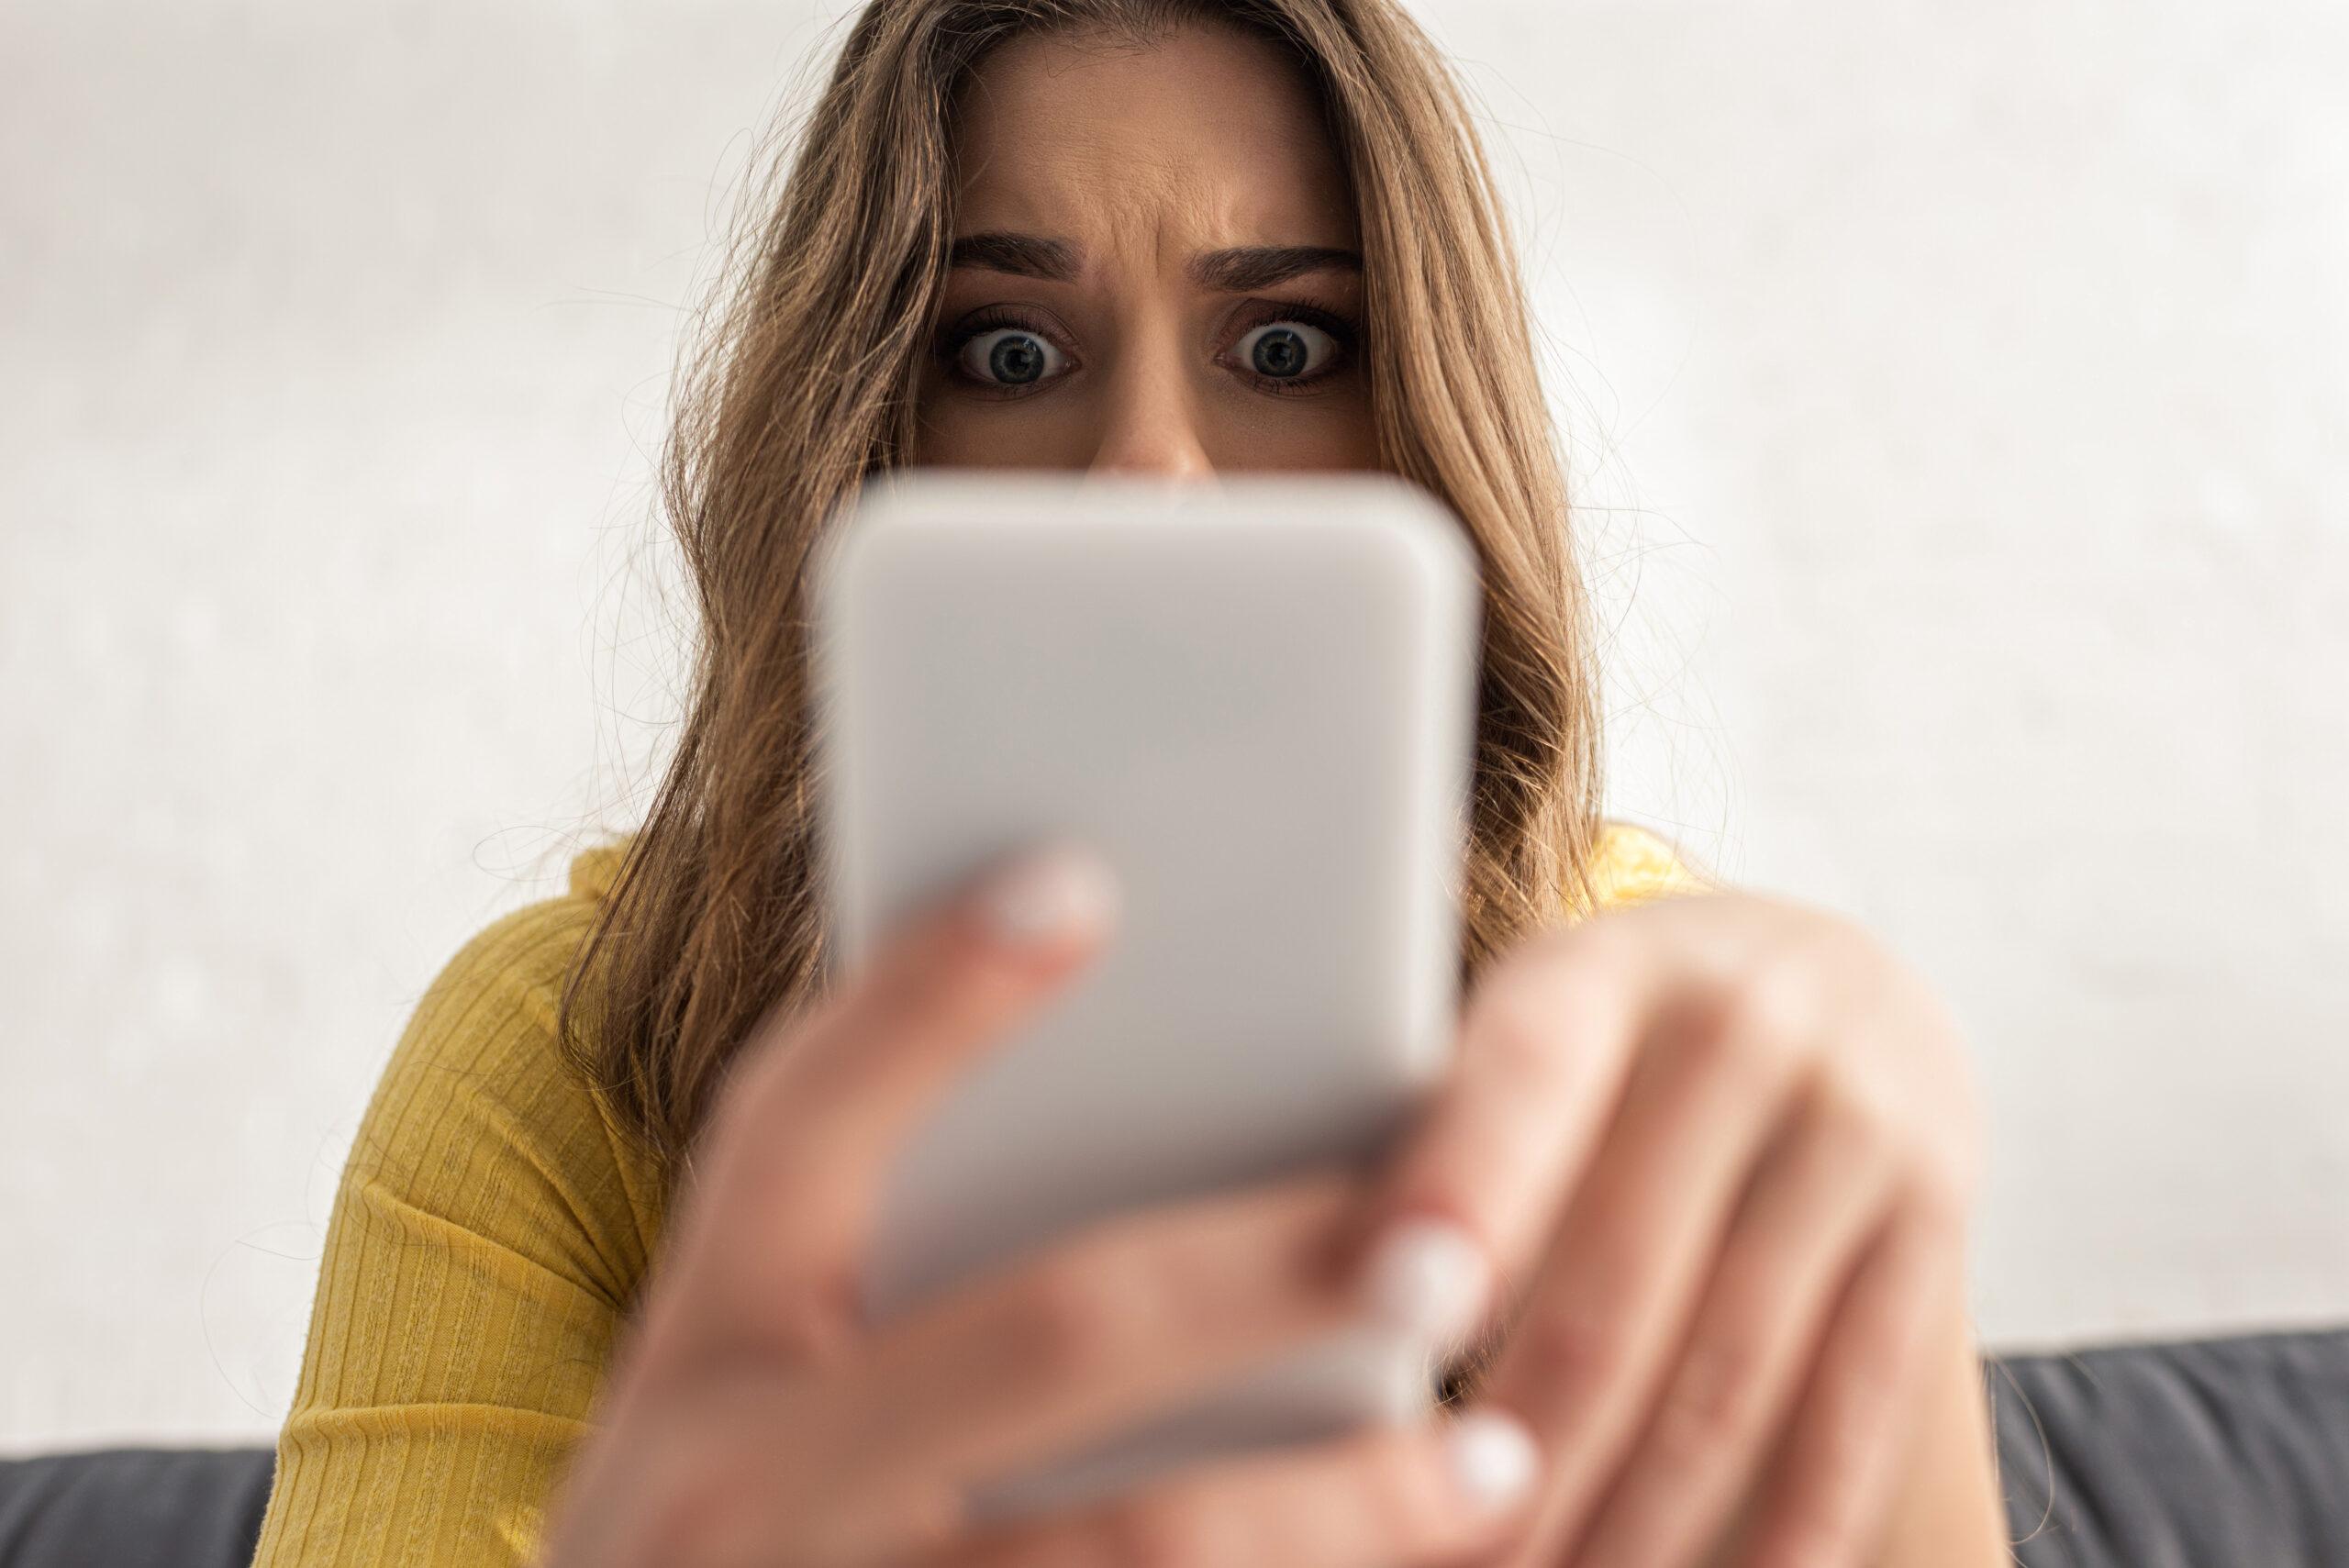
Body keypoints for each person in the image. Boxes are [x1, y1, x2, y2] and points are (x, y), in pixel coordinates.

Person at [247, 1, 2012, 1564]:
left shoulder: (1665, 1038)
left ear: (1430, 427)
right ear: (863, 437)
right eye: (1008, 354)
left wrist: (1897, 1286)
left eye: (1289, 349)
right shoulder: (569, 1055)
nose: (1149, 479)